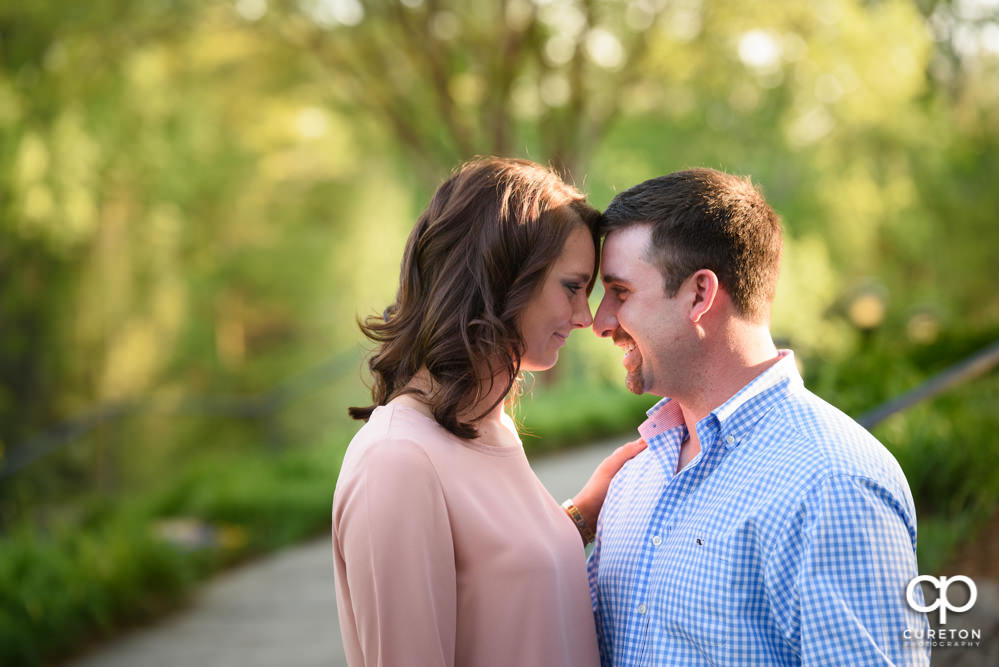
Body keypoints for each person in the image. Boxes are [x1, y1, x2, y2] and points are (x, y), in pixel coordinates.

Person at [587, 168, 930, 665]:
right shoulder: (634, 476)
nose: (600, 323)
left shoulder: (834, 484)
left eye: (619, 293)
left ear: (700, 295)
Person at [332, 157, 645, 667]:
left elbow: (500, 594)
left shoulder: (489, 428)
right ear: (500, 277)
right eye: (572, 287)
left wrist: (578, 520)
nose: (586, 318)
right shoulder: (396, 461)